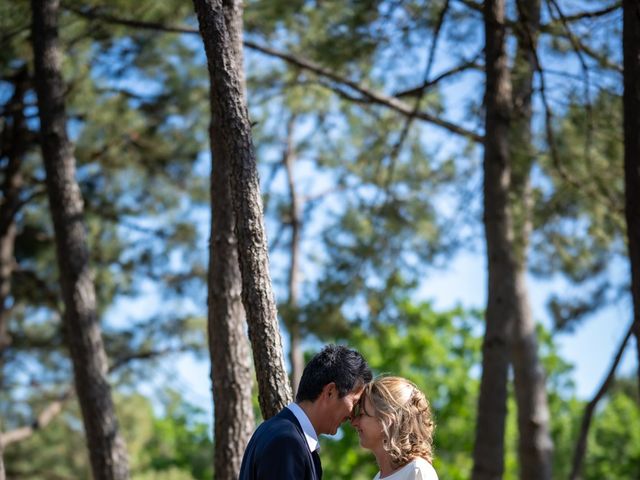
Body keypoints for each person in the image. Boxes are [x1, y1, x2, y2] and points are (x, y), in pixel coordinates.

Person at [239, 344, 372, 479]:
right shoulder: (287, 442)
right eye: (354, 402)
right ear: (330, 392)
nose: (352, 416)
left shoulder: (276, 431)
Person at [350, 376, 438, 480]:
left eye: (362, 414)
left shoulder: (417, 470)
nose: (354, 423)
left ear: (387, 420)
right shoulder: (378, 477)